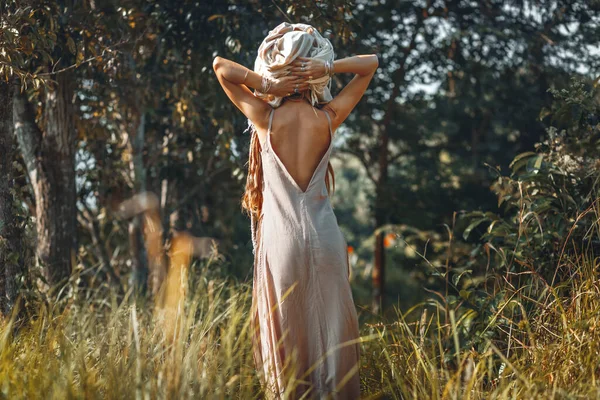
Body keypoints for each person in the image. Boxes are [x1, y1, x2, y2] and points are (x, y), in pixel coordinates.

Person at [213, 22, 378, 399]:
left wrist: (268, 85)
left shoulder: (265, 118)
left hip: (282, 242)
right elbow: (371, 64)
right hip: (326, 240)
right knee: (332, 336)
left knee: (288, 340)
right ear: (314, 68)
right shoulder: (329, 117)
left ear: (277, 66)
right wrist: (329, 69)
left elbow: (221, 66)